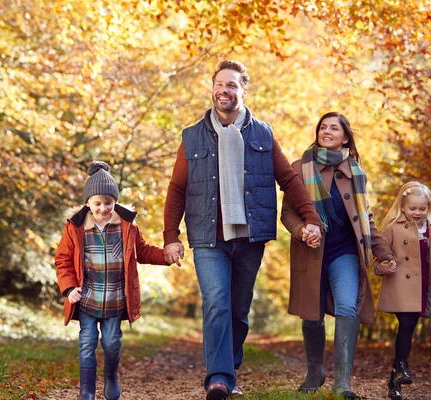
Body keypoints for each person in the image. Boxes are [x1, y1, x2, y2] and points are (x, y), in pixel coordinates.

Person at [163, 60, 322, 400]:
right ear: (212, 88)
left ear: (243, 91)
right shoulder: (192, 136)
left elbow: (289, 180)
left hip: (250, 237)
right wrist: (170, 237)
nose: (225, 90)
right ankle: (218, 380)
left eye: (232, 85)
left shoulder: (263, 132)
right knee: (217, 302)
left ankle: (230, 370)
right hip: (209, 237)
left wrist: (311, 218)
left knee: (238, 309)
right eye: (220, 84)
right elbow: (177, 189)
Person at [281, 112, 396, 399]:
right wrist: (301, 230)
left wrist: (383, 253)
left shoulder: (356, 172)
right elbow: (287, 214)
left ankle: (342, 382)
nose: (327, 131)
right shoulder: (299, 168)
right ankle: (315, 371)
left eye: (334, 128)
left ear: (345, 137)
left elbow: (365, 218)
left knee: (347, 306)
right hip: (310, 252)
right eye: (323, 127)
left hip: (344, 251)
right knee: (312, 315)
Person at [55, 161, 175, 400]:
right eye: (97, 204)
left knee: (111, 343)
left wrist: (166, 255)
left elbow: (143, 251)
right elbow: (63, 260)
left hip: (114, 300)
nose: (102, 209)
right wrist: (69, 289)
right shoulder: (75, 228)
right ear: (88, 203)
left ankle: (111, 376)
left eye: (108, 203)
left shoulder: (126, 227)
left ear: (115, 202)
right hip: (87, 299)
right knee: (87, 343)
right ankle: (87, 390)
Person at [375, 181, 431, 400]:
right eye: (413, 208)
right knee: (407, 324)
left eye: (422, 209)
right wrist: (383, 266)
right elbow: (378, 255)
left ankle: (394, 379)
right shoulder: (392, 228)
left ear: (428, 209)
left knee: (408, 328)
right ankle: (402, 367)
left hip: (421, 288)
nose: (417, 213)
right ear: (403, 207)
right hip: (400, 288)